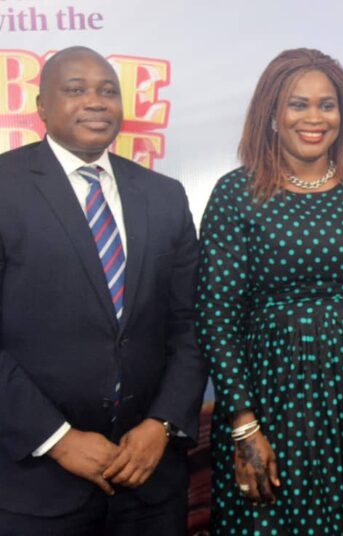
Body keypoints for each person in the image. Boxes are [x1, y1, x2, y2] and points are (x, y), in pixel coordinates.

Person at [196, 48, 343, 535]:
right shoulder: (236, 193)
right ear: (272, 115)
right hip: (272, 405)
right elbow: (217, 319)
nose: (314, 118)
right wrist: (243, 424)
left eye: (327, 105)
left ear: (342, 115)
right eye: (298, 104)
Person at [0, 46, 207, 535]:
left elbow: (192, 324)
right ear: (41, 106)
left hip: (150, 481)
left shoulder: (164, 196)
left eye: (107, 90)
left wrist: (162, 424)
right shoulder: (5, 188)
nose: (95, 101)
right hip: (35, 484)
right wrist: (57, 439)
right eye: (75, 90)